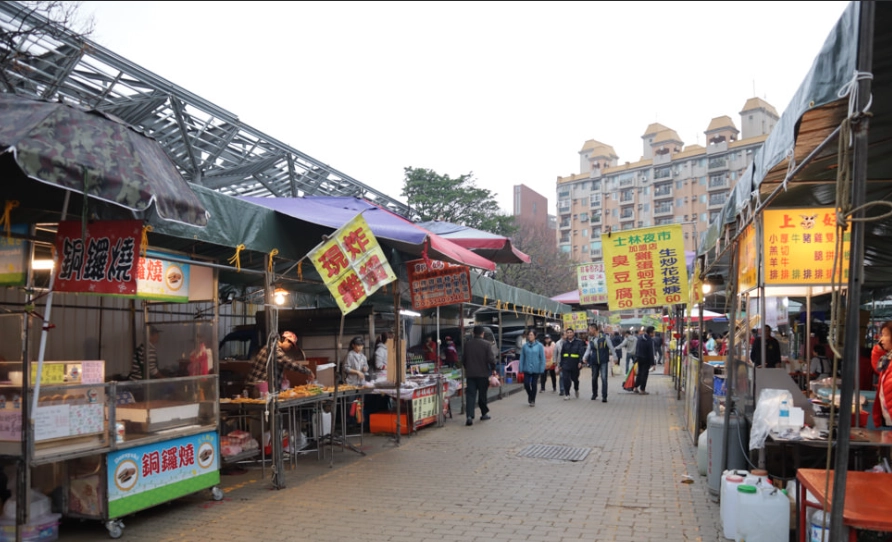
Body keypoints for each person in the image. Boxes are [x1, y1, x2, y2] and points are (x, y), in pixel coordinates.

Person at [249, 330, 315, 390]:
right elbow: (288, 363)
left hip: (260, 386)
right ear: (285, 340)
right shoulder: (273, 349)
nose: (290, 348)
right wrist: (308, 371)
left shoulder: (272, 348)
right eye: (290, 345)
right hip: (258, 388)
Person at [460, 325, 496, 426]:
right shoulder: (486, 344)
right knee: (482, 394)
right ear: (482, 333)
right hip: (483, 374)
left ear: (473, 333)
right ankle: (484, 413)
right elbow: (491, 359)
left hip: (470, 374)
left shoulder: (467, 344)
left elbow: (463, 360)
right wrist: (493, 369)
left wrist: (468, 368)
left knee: (470, 395)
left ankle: (469, 416)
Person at [870, 321, 892, 428]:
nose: (881, 340)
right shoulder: (888, 359)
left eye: (885, 335)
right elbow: (877, 368)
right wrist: (878, 350)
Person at [585, 324, 615, 402]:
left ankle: (604, 396)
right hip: (594, 361)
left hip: (603, 361)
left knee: (604, 378)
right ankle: (594, 394)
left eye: (589, 329)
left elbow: (611, 347)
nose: (589, 331)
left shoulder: (604, 337)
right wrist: (584, 358)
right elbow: (588, 349)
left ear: (594, 329)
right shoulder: (591, 339)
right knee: (594, 378)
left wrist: (615, 357)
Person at [519, 330, 545, 407]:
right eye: (529, 335)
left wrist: (542, 368)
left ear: (535, 336)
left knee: (534, 384)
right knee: (526, 383)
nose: (530, 336)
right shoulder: (525, 346)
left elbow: (542, 358)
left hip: (536, 368)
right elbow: (522, 357)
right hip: (527, 367)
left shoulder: (539, 346)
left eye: (531, 335)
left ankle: (533, 400)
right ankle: (530, 395)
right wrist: (520, 368)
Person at [558, 327, 586, 400]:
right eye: (568, 333)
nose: (569, 334)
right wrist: (560, 365)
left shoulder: (579, 342)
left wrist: (580, 362)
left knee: (575, 379)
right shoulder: (564, 343)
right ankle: (567, 394)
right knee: (566, 379)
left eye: (571, 332)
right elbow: (562, 354)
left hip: (575, 364)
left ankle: (576, 388)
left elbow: (581, 353)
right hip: (566, 364)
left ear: (573, 333)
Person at [632, 326, 655, 395]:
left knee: (639, 373)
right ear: (650, 333)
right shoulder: (649, 340)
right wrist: (653, 363)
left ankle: (635, 387)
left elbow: (637, 348)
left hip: (639, 358)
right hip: (646, 359)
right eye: (653, 332)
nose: (654, 334)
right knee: (644, 374)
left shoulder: (640, 338)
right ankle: (642, 389)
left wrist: (636, 358)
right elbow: (651, 352)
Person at [554, 329, 568, 396]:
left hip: (568, 362)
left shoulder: (569, 342)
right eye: (565, 335)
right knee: (561, 376)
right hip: (560, 362)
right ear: (562, 336)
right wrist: (554, 361)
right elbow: (555, 353)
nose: (566, 336)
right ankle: (562, 389)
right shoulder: (558, 343)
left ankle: (566, 389)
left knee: (567, 377)